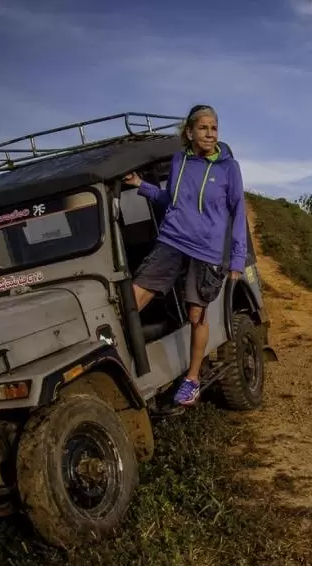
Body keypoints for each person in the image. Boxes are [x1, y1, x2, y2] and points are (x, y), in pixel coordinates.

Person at [123, 104, 248, 407]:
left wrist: (237, 259)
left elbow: (238, 211)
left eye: (214, 128)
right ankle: (124, 363)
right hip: (173, 239)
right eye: (203, 128)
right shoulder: (179, 160)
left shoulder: (228, 167)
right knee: (134, 297)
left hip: (207, 250)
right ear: (189, 132)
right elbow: (171, 199)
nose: (209, 133)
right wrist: (142, 186)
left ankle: (191, 379)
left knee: (197, 315)